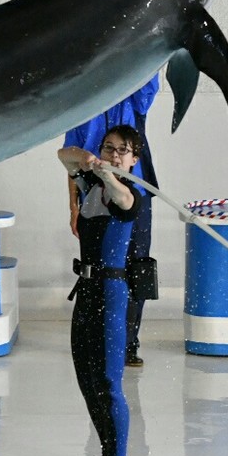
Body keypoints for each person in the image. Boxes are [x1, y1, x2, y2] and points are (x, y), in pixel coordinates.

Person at [57, 124, 148, 456]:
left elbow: (121, 197)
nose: (114, 155)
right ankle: (105, 453)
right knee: (86, 377)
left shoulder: (130, 194)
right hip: (87, 291)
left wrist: (109, 174)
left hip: (112, 294)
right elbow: (64, 157)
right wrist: (87, 160)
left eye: (122, 151)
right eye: (109, 148)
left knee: (109, 380)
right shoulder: (89, 184)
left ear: (134, 159)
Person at [63, 74, 160, 365]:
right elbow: (69, 162)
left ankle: (129, 343)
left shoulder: (132, 97)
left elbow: (149, 77)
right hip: (94, 195)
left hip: (135, 194)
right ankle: (99, 336)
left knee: (137, 267)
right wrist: (73, 208)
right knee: (99, 269)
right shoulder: (81, 109)